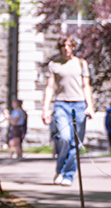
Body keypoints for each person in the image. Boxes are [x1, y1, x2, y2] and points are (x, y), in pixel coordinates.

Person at [40, 35, 94, 186]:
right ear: (60, 47)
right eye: (64, 46)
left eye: (69, 45)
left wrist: (90, 106)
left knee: (76, 143)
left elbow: (86, 86)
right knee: (64, 137)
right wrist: (45, 110)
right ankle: (60, 170)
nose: (66, 48)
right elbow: (50, 87)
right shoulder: (54, 65)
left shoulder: (81, 64)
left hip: (79, 105)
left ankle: (68, 175)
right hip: (61, 104)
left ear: (73, 47)